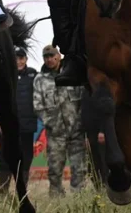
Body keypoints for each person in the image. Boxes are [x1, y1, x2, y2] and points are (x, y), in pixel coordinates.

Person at [33, 46, 87, 196]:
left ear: (59, 55)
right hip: (55, 134)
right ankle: (56, 200)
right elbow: (38, 106)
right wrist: (50, 123)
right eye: (46, 57)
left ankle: (79, 199)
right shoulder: (40, 79)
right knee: (54, 170)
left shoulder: (72, 74)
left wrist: (81, 122)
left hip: (76, 131)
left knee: (80, 168)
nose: (49, 59)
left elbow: (83, 101)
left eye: (52, 56)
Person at [0, 47, 38, 191]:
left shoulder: (34, 75)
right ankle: (3, 192)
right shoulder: (4, 75)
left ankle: (22, 191)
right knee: (4, 157)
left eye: (21, 58)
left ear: (26, 59)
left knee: (26, 158)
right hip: (7, 124)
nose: (18, 61)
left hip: (27, 125)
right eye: (15, 58)